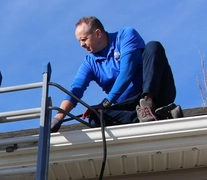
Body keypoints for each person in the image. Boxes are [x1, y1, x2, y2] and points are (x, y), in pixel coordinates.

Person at [51, 17, 181, 132]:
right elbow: (75, 90)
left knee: (153, 46)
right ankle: (159, 116)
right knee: (96, 118)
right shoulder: (89, 63)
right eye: (79, 41)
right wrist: (58, 117)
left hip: (157, 92)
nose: (81, 45)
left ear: (97, 33)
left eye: (84, 39)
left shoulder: (126, 35)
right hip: (129, 105)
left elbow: (126, 73)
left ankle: (148, 103)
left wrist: (106, 103)